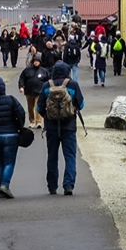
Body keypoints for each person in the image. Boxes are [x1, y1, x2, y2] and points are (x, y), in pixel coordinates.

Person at [37, 61, 84, 196]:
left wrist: (47, 116)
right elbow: (81, 104)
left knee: (52, 156)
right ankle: (68, 185)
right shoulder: (73, 85)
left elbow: (39, 107)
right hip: (69, 126)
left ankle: (52, 186)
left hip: (51, 127)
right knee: (70, 156)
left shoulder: (47, 85)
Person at [0, 76, 26, 199]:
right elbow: (21, 112)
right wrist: (20, 126)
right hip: (10, 133)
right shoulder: (11, 100)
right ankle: (4, 185)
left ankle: (1, 186)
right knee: (9, 162)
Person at [18, 53, 49, 128]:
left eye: (37, 61)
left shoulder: (44, 71)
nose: (36, 62)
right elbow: (22, 78)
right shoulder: (27, 70)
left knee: (37, 106)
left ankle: (38, 121)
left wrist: (47, 90)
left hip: (39, 92)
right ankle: (32, 121)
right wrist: (21, 86)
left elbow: (48, 80)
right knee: (30, 107)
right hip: (29, 91)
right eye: (35, 61)